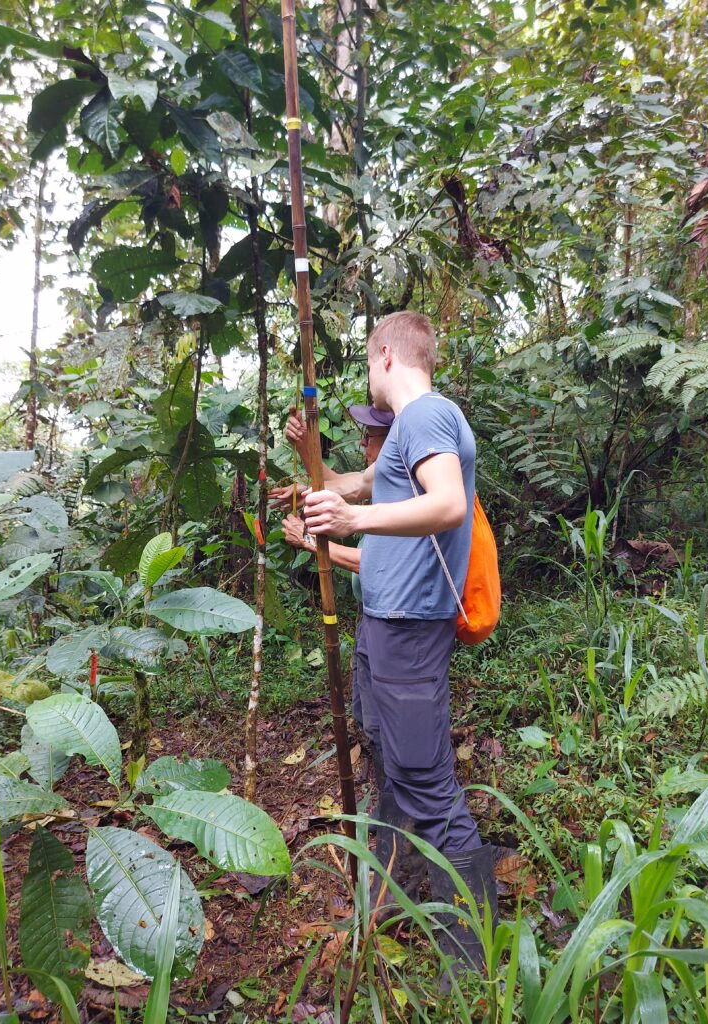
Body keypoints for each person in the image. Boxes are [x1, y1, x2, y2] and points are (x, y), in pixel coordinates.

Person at [300, 311, 498, 981]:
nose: (368, 376)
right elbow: (354, 485)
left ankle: (470, 956)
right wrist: (315, 476)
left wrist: (353, 517)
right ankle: (400, 880)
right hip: (387, 626)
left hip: (410, 630)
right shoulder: (409, 433)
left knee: (428, 783)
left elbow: (446, 504)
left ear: (386, 355)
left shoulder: (426, 416)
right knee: (392, 758)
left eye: (366, 364)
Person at [272, 404, 428, 905]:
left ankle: (404, 861)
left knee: (400, 748)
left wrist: (310, 541)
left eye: (372, 437)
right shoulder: (386, 478)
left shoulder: (415, 488)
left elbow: (367, 559)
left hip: (401, 629)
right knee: (372, 727)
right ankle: (390, 816)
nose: (364, 445)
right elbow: (342, 484)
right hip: (374, 623)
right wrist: (306, 453)